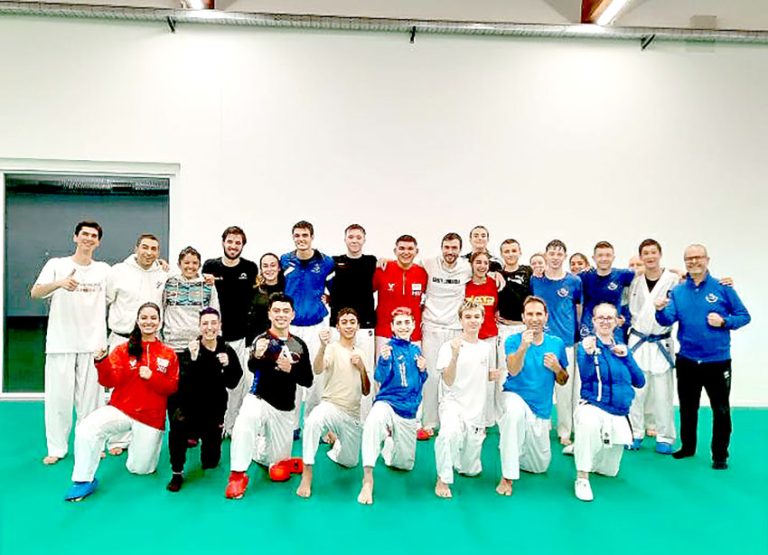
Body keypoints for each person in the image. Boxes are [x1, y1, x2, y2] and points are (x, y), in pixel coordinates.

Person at [64, 303, 179, 501]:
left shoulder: (168, 354)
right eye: (144, 318)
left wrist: (152, 376)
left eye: (153, 318)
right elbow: (108, 381)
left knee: (140, 469)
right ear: (137, 321)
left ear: (159, 322)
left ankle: (137, 445)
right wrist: (102, 362)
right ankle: (83, 480)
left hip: (150, 419)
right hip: (121, 410)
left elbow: (171, 388)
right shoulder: (123, 350)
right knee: (87, 429)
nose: (148, 322)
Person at [655, 244, 750, 470]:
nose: (694, 262)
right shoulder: (678, 292)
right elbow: (667, 319)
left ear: (707, 259)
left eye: (698, 257)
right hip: (687, 359)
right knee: (688, 407)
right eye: (689, 258)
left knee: (720, 409)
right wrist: (659, 309)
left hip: (717, 361)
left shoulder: (723, 288)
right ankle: (688, 447)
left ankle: (720, 455)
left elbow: (744, 316)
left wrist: (725, 322)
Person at [31, 221, 110, 465]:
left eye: (93, 236)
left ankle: (93, 443)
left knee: (92, 402)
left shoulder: (104, 270)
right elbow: (35, 292)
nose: (88, 239)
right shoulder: (57, 265)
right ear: (75, 237)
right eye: (84, 234)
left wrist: (162, 268)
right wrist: (60, 284)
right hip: (61, 343)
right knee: (58, 399)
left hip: (93, 344)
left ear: (98, 242)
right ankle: (57, 448)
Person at [225, 293, 313, 499]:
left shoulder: (299, 345)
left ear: (292, 315)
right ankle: (238, 474)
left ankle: (263, 452)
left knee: (278, 470)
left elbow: (307, 380)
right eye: (276, 311)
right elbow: (252, 366)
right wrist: (257, 355)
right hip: (260, 399)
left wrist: (290, 369)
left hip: (284, 408)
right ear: (269, 314)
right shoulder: (261, 340)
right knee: (245, 419)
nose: (281, 315)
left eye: (285, 311)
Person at [496, 296, 568, 496]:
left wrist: (556, 368)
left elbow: (563, 379)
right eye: (530, 314)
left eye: (539, 314)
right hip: (515, 396)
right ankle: (507, 476)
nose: (534, 318)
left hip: (541, 408)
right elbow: (513, 369)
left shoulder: (556, 343)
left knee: (539, 467)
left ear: (546, 317)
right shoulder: (513, 340)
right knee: (513, 415)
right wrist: (523, 347)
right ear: (523, 317)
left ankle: (514, 444)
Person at [573, 303, 645, 502]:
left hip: (618, 412)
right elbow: (586, 375)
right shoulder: (587, 345)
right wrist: (587, 355)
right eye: (600, 318)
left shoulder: (621, 347)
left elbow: (640, 381)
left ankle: (583, 447)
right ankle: (582, 477)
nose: (605, 321)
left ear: (616, 322)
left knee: (608, 471)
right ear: (594, 321)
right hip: (593, 406)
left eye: (609, 318)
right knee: (588, 424)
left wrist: (628, 356)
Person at [105, 232, 169, 454]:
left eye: (154, 249)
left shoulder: (162, 273)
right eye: (145, 247)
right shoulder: (118, 272)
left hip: (150, 343)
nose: (149, 252)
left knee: (146, 390)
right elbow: (104, 301)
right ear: (136, 248)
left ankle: (139, 435)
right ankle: (117, 440)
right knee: (119, 390)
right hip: (122, 339)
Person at [296, 308, 371, 498]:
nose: (348, 325)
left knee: (350, 461)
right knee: (313, 421)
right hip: (330, 406)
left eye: (352, 321)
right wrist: (322, 347)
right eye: (344, 322)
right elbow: (318, 368)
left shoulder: (362, 353)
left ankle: (336, 441)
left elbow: (366, 390)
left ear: (358, 326)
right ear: (337, 326)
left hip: (352, 415)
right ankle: (307, 472)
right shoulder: (331, 348)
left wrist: (362, 368)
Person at [166, 308, 242, 492]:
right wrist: (192, 359)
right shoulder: (191, 349)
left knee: (211, 462)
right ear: (199, 327)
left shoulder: (226, 350)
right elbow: (182, 384)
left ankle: (206, 443)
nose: (209, 327)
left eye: (213, 323)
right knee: (177, 432)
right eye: (205, 323)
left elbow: (233, 382)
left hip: (214, 409)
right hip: (188, 407)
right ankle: (177, 472)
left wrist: (229, 365)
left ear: (219, 326)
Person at [357, 307, 427, 505]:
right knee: (373, 421)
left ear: (413, 325)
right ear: (392, 327)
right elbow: (379, 377)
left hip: (408, 410)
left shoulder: (415, 349)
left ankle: (388, 445)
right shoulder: (387, 348)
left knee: (404, 464)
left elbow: (419, 381)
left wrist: (423, 370)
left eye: (407, 323)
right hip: (387, 402)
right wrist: (384, 361)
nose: (403, 327)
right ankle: (368, 478)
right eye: (399, 323)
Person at [434, 301, 499, 499]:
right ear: (460, 320)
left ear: (482, 319)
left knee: (470, 470)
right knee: (448, 434)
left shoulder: (486, 348)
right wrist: (454, 356)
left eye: (476, 317)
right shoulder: (449, 346)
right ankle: (442, 479)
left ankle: (460, 457)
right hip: (452, 403)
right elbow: (448, 379)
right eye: (468, 317)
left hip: (475, 410)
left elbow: (488, 375)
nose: (472, 321)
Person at [202, 226, 259, 436]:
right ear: (223, 242)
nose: (233, 246)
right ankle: (211, 423)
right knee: (212, 383)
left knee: (238, 383)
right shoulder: (210, 266)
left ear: (243, 245)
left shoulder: (250, 268)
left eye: (238, 243)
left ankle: (232, 424)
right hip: (213, 337)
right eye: (230, 241)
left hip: (240, 338)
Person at [280, 220, 335, 433]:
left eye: (305, 235)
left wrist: (330, 300)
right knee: (290, 373)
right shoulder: (285, 260)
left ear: (312, 237)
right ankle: (292, 425)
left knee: (315, 376)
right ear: (293, 238)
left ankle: (313, 424)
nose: (301, 239)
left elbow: (336, 290)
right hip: (290, 327)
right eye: (297, 236)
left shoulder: (326, 262)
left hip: (316, 326)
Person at [626, 239, 679, 453]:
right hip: (638, 340)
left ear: (660, 254)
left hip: (660, 341)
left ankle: (665, 436)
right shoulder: (636, 281)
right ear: (641, 257)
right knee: (636, 391)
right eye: (645, 253)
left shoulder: (673, 280)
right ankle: (635, 432)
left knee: (662, 393)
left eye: (653, 252)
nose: (649, 256)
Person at [419, 232, 472, 439]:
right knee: (431, 377)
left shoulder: (466, 267)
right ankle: (430, 422)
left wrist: (496, 273)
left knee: (454, 377)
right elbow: (405, 261)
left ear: (460, 250)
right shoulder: (429, 262)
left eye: (454, 248)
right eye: (447, 248)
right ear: (442, 248)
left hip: (455, 329)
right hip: (431, 328)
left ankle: (456, 422)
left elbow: (485, 268)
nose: (450, 252)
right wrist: (383, 261)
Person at [531, 239, 582, 449]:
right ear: (546, 255)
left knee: (565, 389)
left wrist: (575, 334)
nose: (555, 257)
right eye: (551, 253)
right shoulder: (537, 280)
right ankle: (539, 426)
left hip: (566, 342)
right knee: (540, 385)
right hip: (541, 341)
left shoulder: (574, 282)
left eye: (559, 254)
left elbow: (578, 309)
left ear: (564, 256)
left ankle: (564, 430)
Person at [327, 224, 377, 420]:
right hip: (338, 327)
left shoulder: (372, 261)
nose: (354, 240)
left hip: (364, 327)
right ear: (345, 239)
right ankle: (336, 420)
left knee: (364, 369)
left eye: (358, 237)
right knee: (336, 371)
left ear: (364, 240)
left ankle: (363, 419)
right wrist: (326, 298)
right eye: (351, 237)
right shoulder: (335, 262)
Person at [372, 235, 428, 353]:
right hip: (384, 333)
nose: (406, 252)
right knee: (385, 369)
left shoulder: (422, 273)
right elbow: (362, 293)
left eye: (410, 249)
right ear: (395, 251)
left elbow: (432, 298)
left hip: (412, 334)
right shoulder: (382, 269)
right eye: (402, 248)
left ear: (416, 251)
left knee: (412, 370)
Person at [464, 251, 500, 427]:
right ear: (472, 264)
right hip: (470, 340)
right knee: (472, 379)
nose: (482, 266)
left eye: (485, 263)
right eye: (478, 262)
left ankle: (487, 420)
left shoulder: (495, 284)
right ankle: (472, 418)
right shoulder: (465, 285)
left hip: (490, 338)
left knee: (489, 379)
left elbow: (498, 309)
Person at [162, 246, 219, 352]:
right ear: (179, 264)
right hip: (172, 345)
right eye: (186, 263)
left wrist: (216, 340)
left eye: (195, 263)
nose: (190, 266)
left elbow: (215, 313)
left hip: (199, 344)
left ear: (200, 265)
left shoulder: (208, 285)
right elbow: (162, 308)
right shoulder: (169, 283)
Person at [578, 241, 636, 339]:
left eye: (608, 255)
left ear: (613, 257)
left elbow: (647, 272)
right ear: (594, 258)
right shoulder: (585, 276)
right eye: (600, 255)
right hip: (589, 331)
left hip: (613, 331)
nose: (604, 259)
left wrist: (669, 274)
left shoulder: (622, 275)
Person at [246, 252, 285, 345]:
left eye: (273, 265)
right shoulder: (253, 291)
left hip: (281, 339)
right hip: (257, 340)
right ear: (261, 269)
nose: (269, 269)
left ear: (279, 268)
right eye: (265, 266)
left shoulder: (287, 289)